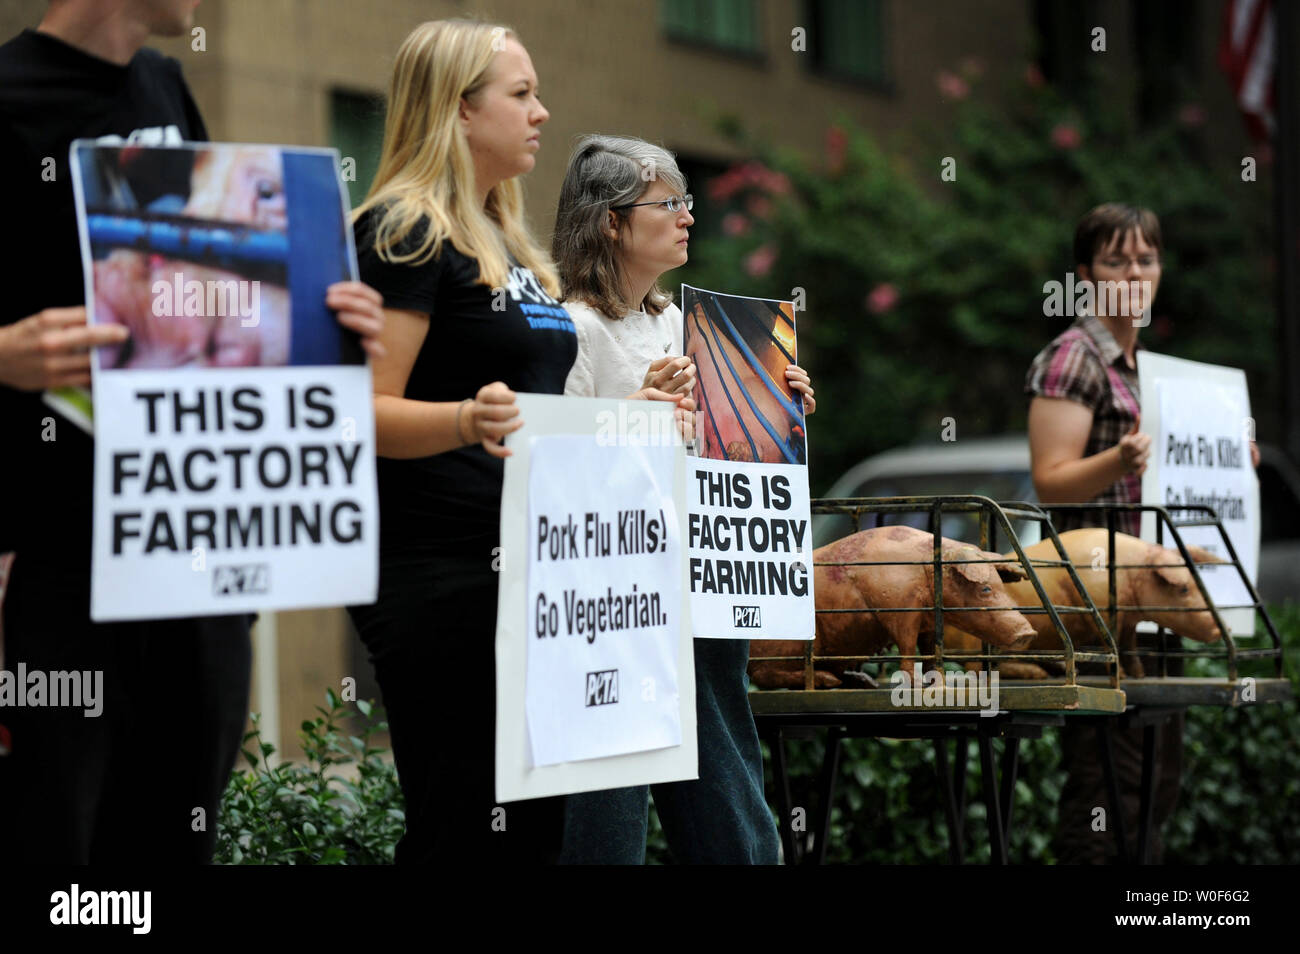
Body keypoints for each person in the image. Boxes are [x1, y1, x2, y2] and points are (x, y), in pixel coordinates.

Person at [0, 0, 384, 863]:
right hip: (64, 568)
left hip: (191, 559)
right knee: (59, 849)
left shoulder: (167, 85)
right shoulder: (8, 96)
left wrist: (323, 321)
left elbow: (212, 292)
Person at [345, 18, 585, 864]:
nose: (541, 113)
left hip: (538, 574)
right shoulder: (404, 231)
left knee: (534, 836)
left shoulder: (509, 244)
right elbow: (353, 412)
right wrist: (461, 419)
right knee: (464, 830)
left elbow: (546, 402)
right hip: (439, 575)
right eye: (521, 94)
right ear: (456, 110)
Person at [552, 135, 815, 864]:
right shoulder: (571, 327)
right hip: (612, 604)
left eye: (686, 202)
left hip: (698, 589)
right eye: (668, 203)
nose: (687, 217)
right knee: (610, 809)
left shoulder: (684, 323)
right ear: (610, 221)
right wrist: (638, 409)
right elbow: (551, 465)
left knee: (730, 801)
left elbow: (724, 449)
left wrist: (778, 411)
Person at [1026, 202, 1256, 864]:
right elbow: (1051, 480)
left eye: (1146, 259)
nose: (1133, 272)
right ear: (1084, 274)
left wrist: (1233, 467)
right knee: (1110, 788)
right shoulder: (1073, 358)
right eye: (1115, 259)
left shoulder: (1152, 371)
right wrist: (1118, 461)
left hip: (1158, 605)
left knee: (1155, 786)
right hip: (1100, 608)